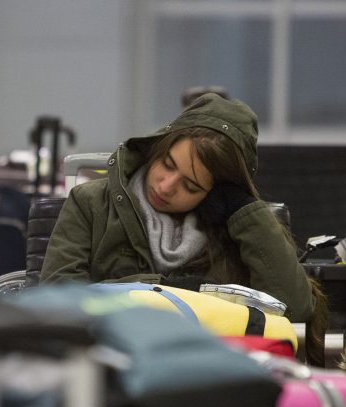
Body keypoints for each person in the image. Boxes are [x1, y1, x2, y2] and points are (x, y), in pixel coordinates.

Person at [40, 93, 321, 324]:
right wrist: (171, 291)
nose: (165, 186)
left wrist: (243, 211)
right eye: (167, 164)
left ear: (218, 190)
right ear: (157, 146)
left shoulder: (234, 232)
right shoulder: (91, 203)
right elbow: (56, 301)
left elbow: (294, 309)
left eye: (191, 186)